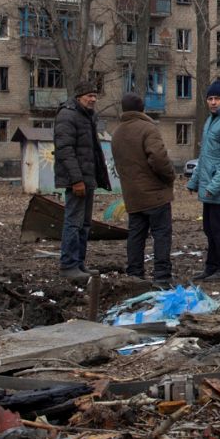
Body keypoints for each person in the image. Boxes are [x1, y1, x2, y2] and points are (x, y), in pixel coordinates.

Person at [111, 92, 175, 286]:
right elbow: (159, 158)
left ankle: (135, 275)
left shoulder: (117, 133)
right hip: (155, 194)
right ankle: (162, 275)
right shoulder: (148, 129)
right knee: (161, 234)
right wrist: (169, 176)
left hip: (132, 195)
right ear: (142, 109)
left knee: (136, 235)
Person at [185, 80, 220, 282]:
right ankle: (212, 266)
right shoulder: (212, 120)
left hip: (219, 187)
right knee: (210, 228)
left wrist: (213, 186)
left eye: (216, 98)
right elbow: (205, 156)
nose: (213, 102)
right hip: (209, 186)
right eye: (210, 98)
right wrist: (194, 181)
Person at [53, 81, 111, 281]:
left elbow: (92, 151)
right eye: (89, 95)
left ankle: (79, 263)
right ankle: (68, 265)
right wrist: (76, 180)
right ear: (79, 97)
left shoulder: (87, 116)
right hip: (76, 180)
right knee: (73, 222)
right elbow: (65, 150)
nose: (93, 99)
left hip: (88, 178)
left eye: (95, 95)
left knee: (85, 224)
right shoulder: (68, 115)